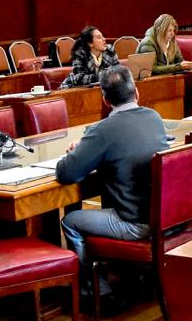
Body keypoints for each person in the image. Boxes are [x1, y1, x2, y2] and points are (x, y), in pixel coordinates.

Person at [57, 66, 167, 305]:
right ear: (136, 92)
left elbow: (66, 173)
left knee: (71, 220)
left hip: (134, 223)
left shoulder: (102, 130)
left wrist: (80, 150)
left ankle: (95, 292)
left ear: (105, 100)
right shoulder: (154, 117)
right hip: (165, 216)